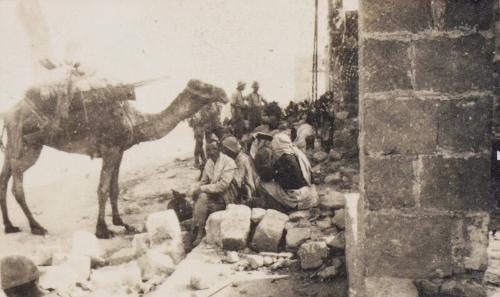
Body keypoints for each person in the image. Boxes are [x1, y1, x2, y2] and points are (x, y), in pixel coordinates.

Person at [190, 142, 238, 246]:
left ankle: (199, 232)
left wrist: (202, 188)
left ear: (219, 149)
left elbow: (223, 185)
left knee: (202, 197)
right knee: (200, 196)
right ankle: (197, 231)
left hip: (226, 196)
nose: (211, 152)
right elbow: (203, 181)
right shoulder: (209, 162)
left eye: (214, 149)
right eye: (208, 150)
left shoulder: (228, 162)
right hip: (212, 194)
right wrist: (196, 189)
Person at [259, 133, 318, 212]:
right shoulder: (297, 153)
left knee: (263, 184)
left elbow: (268, 177)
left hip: (298, 197)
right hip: (309, 192)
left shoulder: (284, 159)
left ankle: (280, 208)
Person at [221, 136, 260, 204]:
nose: (224, 152)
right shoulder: (236, 156)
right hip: (241, 186)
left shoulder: (242, 159)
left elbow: (237, 180)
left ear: (231, 150)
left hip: (247, 189)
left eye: (225, 149)